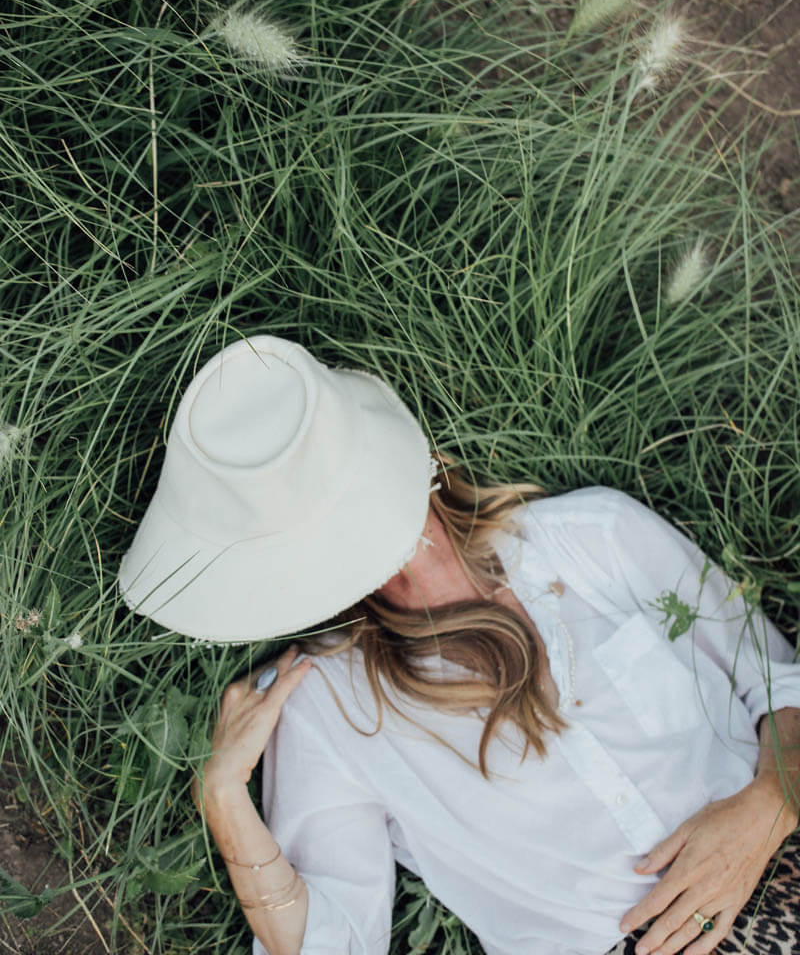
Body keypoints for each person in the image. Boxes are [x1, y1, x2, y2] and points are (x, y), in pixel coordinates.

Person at [118, 335, 800, 955]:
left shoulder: (597, 533)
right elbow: (337, 941)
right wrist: (224, 800)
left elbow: (780, 683)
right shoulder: (326, 701)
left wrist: (771, 803)